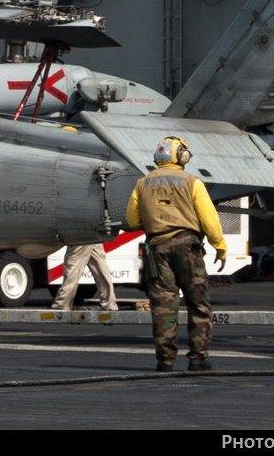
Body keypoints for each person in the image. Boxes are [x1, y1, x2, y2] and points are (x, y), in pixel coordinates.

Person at [127, 136, 226, 371]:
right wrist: (219, 246)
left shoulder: (142, 183)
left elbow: (133, 220)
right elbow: (209, 220)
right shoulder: (192, 182)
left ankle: (165, 361)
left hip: (157, 249)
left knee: (163, 306)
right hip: (188, 248)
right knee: (198, 304)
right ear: (181, 156)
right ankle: (197, 360)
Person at [52, 243, 119, 311]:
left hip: (82, 236)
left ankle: (62, 302)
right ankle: (109, 303)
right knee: (99, 267)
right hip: (94, 235)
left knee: (74, 267)